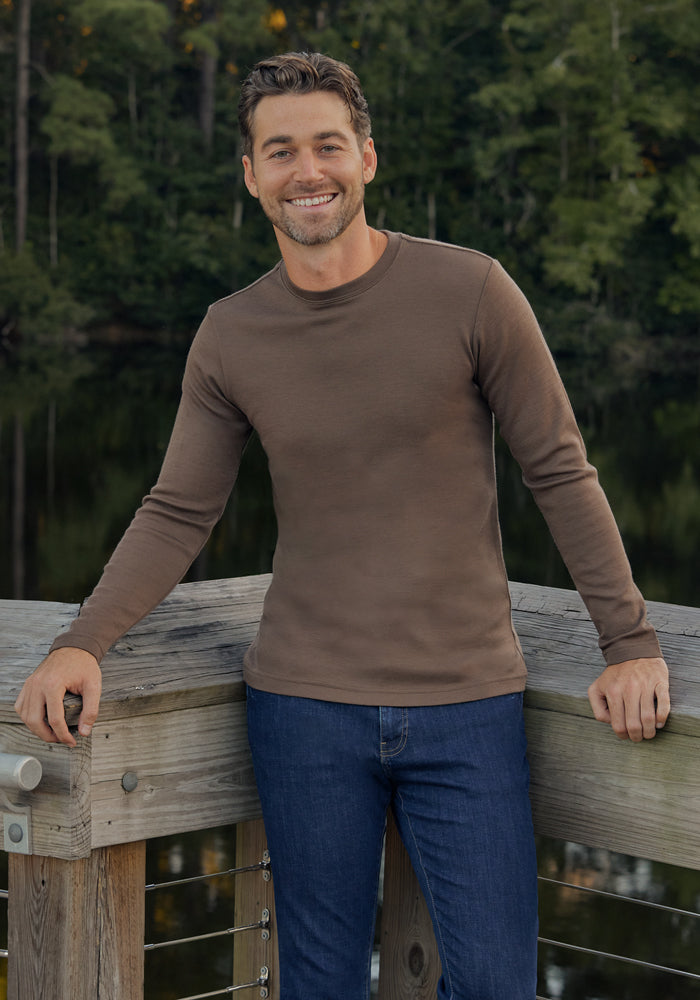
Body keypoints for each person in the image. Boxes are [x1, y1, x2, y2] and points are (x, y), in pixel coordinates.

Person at [15, 52, 669, 1000]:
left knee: (495, 985)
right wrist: (83, 643)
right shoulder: (231, 334)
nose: (306, 170)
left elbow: (559, 471)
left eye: (328, 145)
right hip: (302, 711)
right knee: (319, 984)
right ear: (251, 174)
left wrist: (630, 641)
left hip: (468, 706)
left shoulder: (473, 291)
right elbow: (178, 510)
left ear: (367, 156)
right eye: (280, 151)